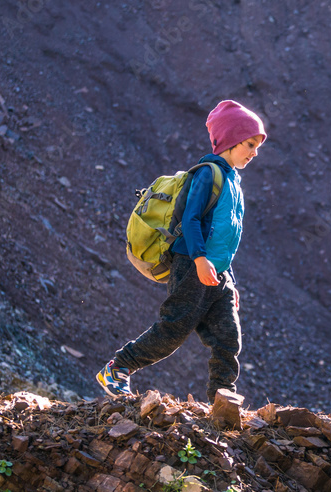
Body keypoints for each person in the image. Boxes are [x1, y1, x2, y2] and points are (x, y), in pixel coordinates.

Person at [96, 100, 266, 402]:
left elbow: (223, 238)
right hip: (191, 264)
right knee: (173, 329)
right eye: (250, 144)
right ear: (229, 139)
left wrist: (231, 280)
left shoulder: (234, 181)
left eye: (257, 146)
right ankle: (117, 367)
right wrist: (200, 260)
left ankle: (222, 401)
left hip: (218, 274)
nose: (255, 152)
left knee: (228, 338)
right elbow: (190, 219)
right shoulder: (208, 173)